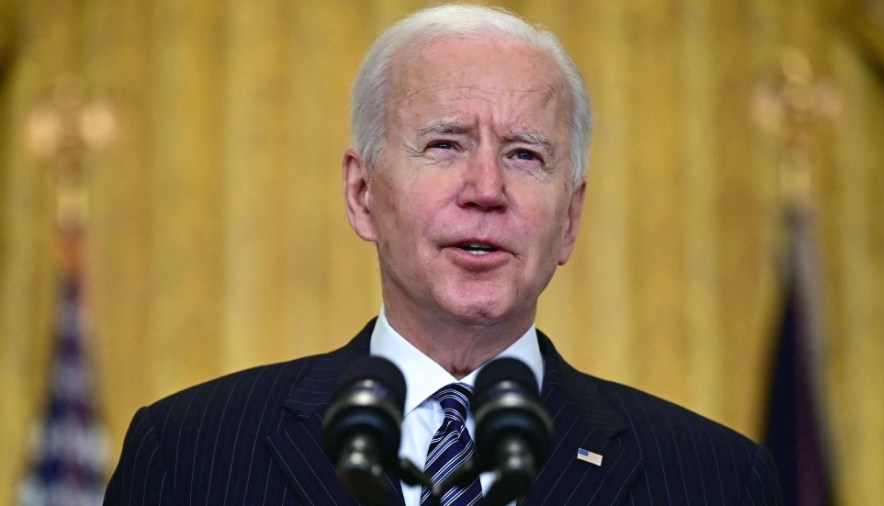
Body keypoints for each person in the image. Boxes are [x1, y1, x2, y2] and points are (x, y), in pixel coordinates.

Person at [104, 4, 781, 505]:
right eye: (445, 144)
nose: (486, 190)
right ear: (363, 192)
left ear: (570, 218)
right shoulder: (190, 455)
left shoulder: (713, 479)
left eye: (525, 154)